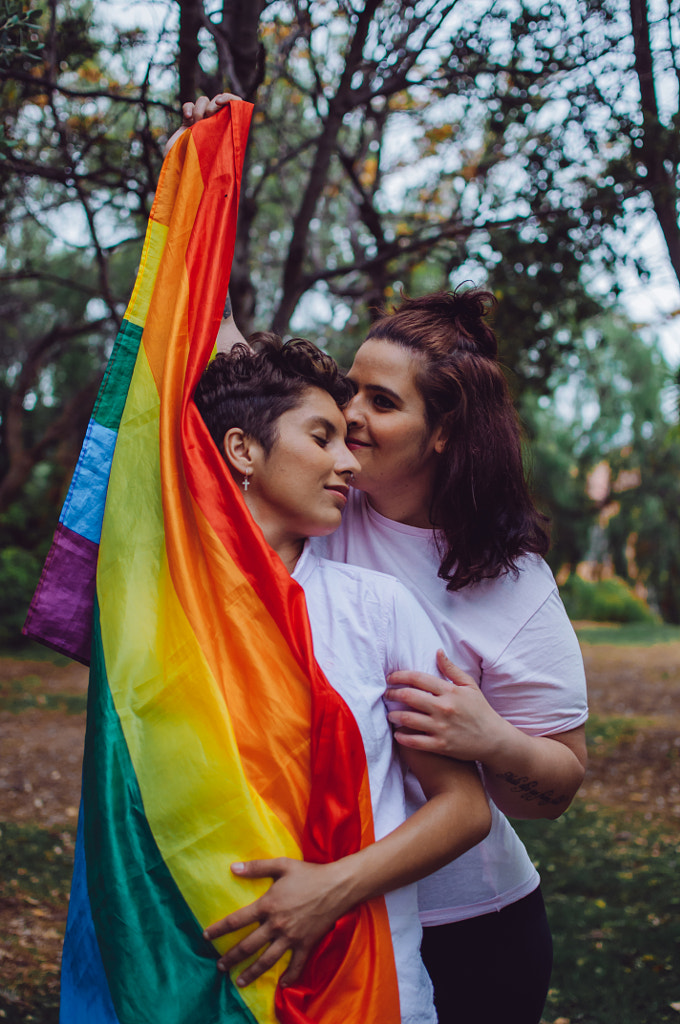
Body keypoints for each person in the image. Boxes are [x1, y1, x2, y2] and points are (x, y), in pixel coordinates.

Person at [177, 97, 588, 1024]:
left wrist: (493, 742)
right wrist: (202, 170)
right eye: (344, 395)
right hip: (315, 905)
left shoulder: (509, 582)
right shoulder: (321, 499)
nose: (349, 416)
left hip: (475, 919)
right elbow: (225, 353)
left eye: (379, 402)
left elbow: (561, 780)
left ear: (443, 435)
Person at [194, 333, 491, 1023]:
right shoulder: (171, 616)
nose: (347, 461)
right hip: (200, 966)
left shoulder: (375, 609)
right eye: (322, 436)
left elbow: (464, 807)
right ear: (243, 450)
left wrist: (329, 889)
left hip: (366, 979)